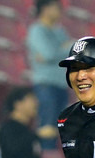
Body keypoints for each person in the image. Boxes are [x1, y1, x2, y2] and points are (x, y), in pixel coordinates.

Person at [27, 0, 72, 150]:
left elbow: (71, 54)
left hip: (62, 84)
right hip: (46, 84)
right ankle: (45, 157)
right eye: (56, 8)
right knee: (47, 124)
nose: (59, 11)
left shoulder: (60, 31)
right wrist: (64, 49)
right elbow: (48, 53)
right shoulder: (37, 30)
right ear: (45, 9)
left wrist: (58, 52)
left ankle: (51, 157)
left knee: (57, 126)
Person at [0, 86, 41, 158]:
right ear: (18, 104)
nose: (36, 103)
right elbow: (12, 151)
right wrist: (37, 135)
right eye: (31, 99)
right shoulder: (7, 129)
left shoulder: (28, 131)